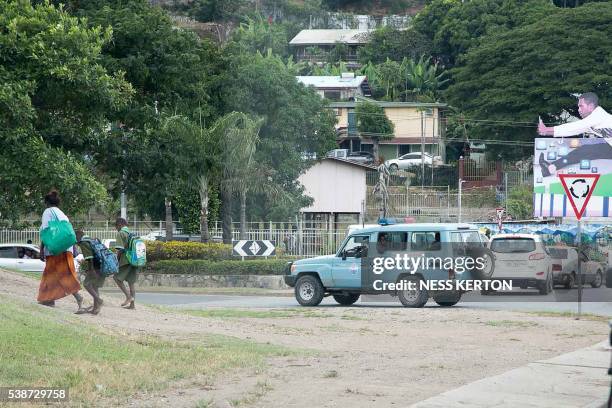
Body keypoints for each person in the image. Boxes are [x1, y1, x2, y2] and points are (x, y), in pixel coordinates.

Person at [537, 92, 612, 177]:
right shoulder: (590, 123)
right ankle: (551, 168)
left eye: (581, 106)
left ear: (591, 106)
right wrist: (547, 131)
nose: (579, 110)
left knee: (588, 149)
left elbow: (574, 126)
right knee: (585, 150)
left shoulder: (598, 116)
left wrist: (547, 130)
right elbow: (572, 130)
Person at [37, 190, 84, 312]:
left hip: (56, 250)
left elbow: (46, 232)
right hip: (66, 249)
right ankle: (48, 299)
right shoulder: (62, 214)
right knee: (50, 274)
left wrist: (42, 250)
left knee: (63, 274)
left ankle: (78, 297)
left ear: (47, 202)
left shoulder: (47, 212)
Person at [75, 230, 105, 315]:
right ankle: (95, 309)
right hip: (101, 265)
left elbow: (90, 257)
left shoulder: (83, 243)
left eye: (75, 237)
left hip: (95, 267)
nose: (75, 240)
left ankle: (99, 300)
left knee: (86, 284)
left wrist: (91, 270)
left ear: (79, 236)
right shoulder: (90, 240)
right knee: (95, 286)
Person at [113, 217, 137, 309]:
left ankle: (128, 297)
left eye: (116, 227)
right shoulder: (131, 233)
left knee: (116, 278)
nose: (116, 229)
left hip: (125, 260)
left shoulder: (121, 233)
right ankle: (132, 305)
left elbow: (120, 249)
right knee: (131, 282)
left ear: (119, 225)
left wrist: (117, 261)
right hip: (134, 260)